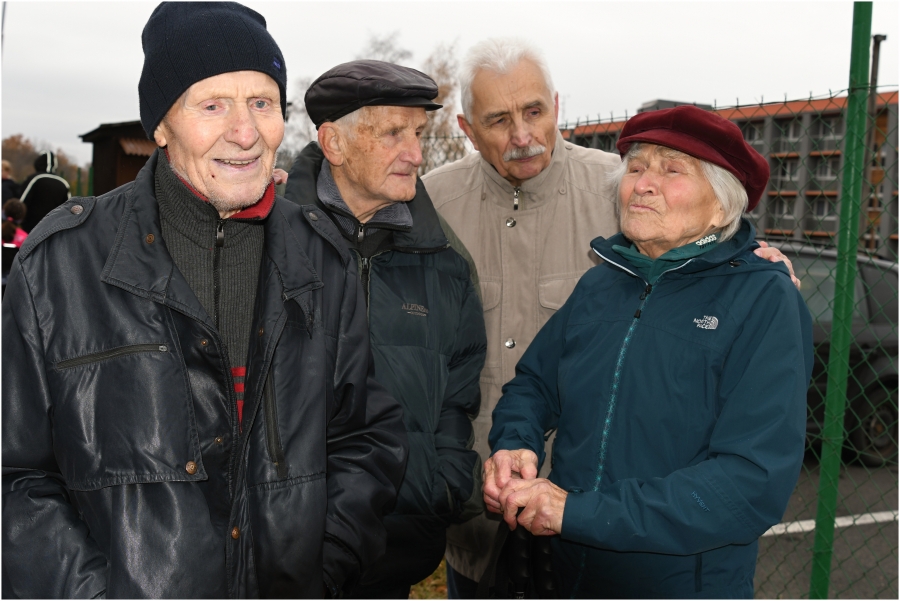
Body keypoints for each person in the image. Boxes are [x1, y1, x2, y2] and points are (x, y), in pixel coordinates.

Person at [2, 3, 407, 598]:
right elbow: (16, 477)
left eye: (262, 103)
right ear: (161, 125)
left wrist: (323, 569)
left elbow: (364, 439)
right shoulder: (58, 264)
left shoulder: (323, 259)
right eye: (212, 104)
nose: (244, 133)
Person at [421, 37, 800, 596]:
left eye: (671, 170)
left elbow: (747, 482)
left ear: (721, 203)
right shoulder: (605, 281)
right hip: (566, 574)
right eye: (636, 167)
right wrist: (515, 443)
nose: (642, 182)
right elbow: (533, 382)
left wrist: (577, 513)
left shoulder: (763, 300)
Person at [284, 59, 487, 599]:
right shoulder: (266, 242)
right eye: (394, 133)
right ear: (334, 144)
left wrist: (440, 485)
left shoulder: (445, 261)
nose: (417, 154)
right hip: (283, 544)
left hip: (398, 541)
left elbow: (457, 396)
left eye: (418, 133)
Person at [18, 150, 71, 233]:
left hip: (30, 228)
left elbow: (21, 203)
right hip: (53, 229)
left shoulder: (34, 179)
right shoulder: (63, 183)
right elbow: (68, 207)